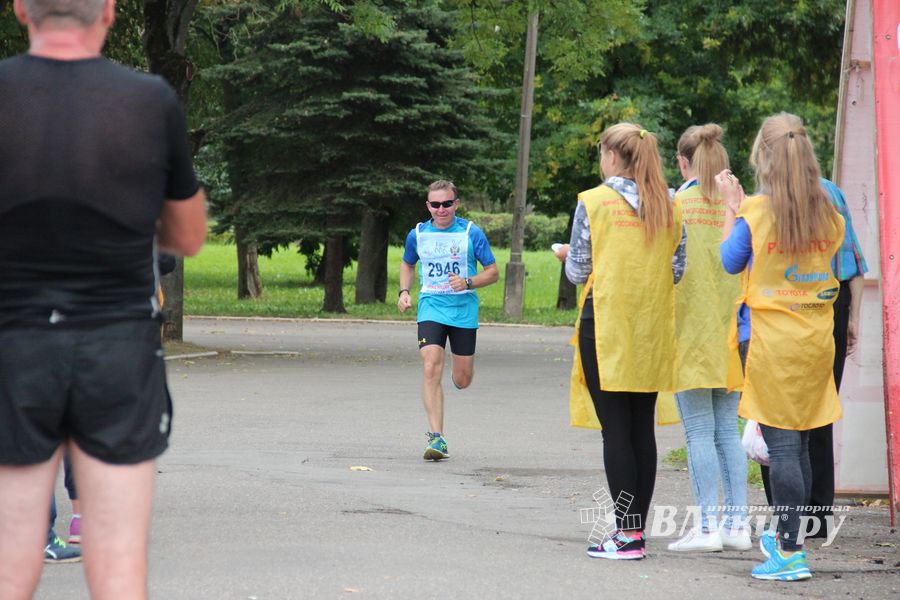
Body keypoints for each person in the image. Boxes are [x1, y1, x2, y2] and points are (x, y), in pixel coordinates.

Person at [0, 1, 207, 598]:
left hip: (14, 345)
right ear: (110, 13)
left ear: (21, 10)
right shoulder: (150, 101)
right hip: (117, 347)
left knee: (11, 561)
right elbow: (189, 237)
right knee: (117, 568)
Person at [718, 112, 844, 581]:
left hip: (770, 341)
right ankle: (792, 537)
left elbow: (730, 262)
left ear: (764, 157)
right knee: (803, 444)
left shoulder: (756, 211)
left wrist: (733, 206)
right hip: (815, 338)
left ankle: (789, 550)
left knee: (783, 448)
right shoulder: (829, 213)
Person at [556, 123, 685, 560]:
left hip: (607, 325)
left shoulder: (593, 203)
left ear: (612, 155)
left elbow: (577, 272)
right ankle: (636, 532)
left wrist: (568, 255)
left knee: (615, 430)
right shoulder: (670, 204)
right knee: (639, 428)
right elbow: (677, 270)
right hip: (651, 326)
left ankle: (626, 536)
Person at [758, 177, 868, 539]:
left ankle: (785, 519)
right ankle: (818, 517)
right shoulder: (831, 192)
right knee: (819, 414)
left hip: (780, 310)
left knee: (776, 421)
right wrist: (851, 319)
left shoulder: (765, 198)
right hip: (828, 308)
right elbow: (852, 263)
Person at [666, 124, 750, 553]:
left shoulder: (675, 204)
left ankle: (706, 528)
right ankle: (738, 526)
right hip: (732, 329)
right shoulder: (740, 206)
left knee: (699, 433)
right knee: (726, 432)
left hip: (688, 331)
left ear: (683, 162)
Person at [397, 180, 499, 461]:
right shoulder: (417, 234)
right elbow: (408, 262)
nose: (441, 209)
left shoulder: (470, 233)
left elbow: (492, 272)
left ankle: (459, 374)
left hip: (463, 311)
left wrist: (468, 282)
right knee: (430, 366)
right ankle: (437, 439)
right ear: (428, 206)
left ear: (456, 203)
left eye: (447, 203)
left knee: (463, 379)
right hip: (431, 306)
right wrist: (404, 291)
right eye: (435, 204)